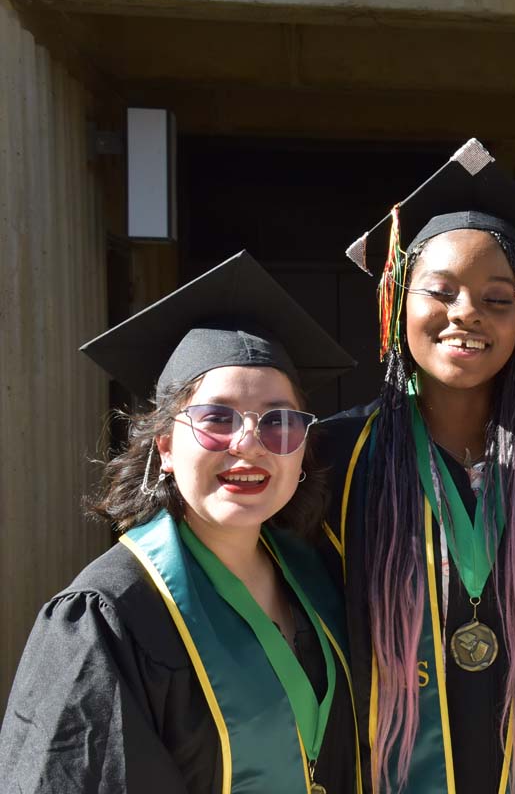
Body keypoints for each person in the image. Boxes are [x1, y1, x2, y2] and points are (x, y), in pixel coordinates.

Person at [0, 251, 362, 794]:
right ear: (165, 446)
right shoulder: (110, 616)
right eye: (217, 418)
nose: (248, 444)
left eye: (279, 422)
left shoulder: (317, 581)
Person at [320, 138, 515, 793]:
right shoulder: (336, 459)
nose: (466, 313)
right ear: (399, 304)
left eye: (498, 298)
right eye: (440, 291)